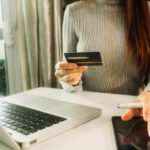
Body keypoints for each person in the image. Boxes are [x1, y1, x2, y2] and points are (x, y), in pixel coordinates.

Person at [55, 0, 150, 135]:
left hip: (134, 114)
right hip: (89, 116)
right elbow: (69, 80)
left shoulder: (146, 10)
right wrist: (70, 80)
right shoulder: (73, 12)